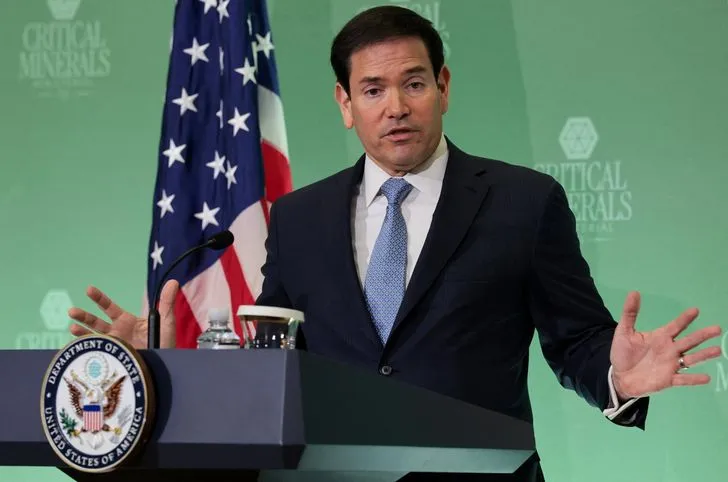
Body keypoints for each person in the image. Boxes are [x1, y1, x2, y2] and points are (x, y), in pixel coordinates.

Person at [68, 6, 722, 481]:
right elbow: (276, 364)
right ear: (345, 103)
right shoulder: (298, 218)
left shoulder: (524, 202)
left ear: (444, 87)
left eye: (413, 83)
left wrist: (616, 376)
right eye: (373, 90)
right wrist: (166, 363)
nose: (396, 107)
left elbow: (576, 339)